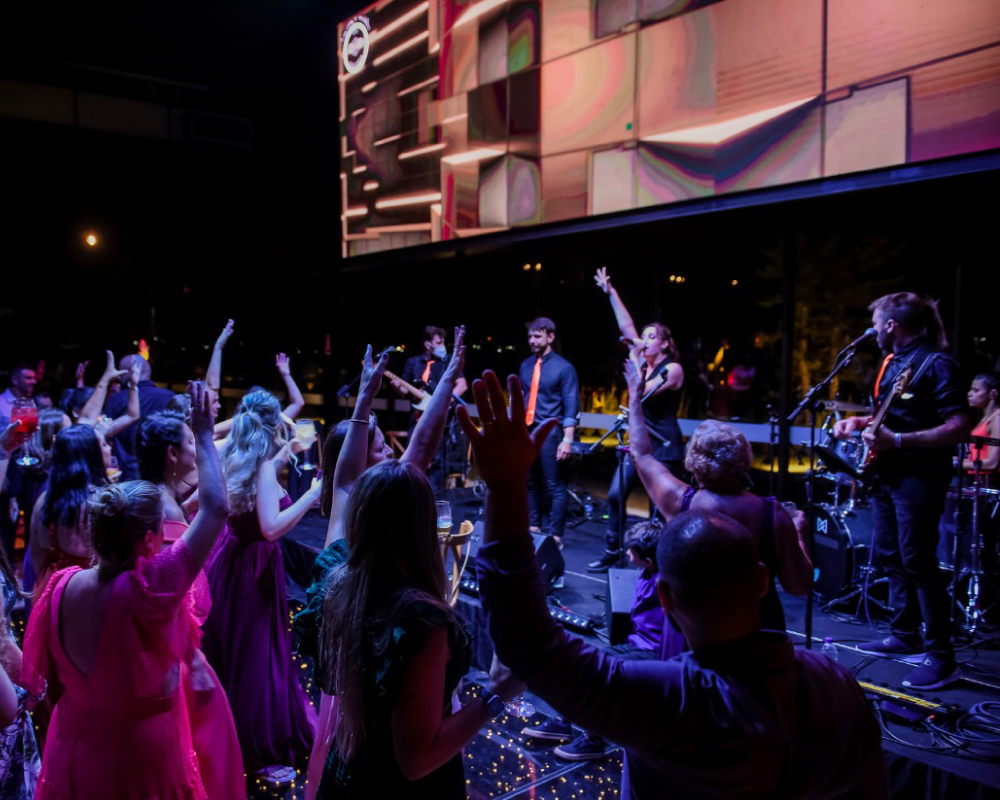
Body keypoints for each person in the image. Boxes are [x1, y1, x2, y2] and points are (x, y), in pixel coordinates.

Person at [457, 370, 889, 800]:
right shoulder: (832, 681)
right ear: (759, 580)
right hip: (765, 641)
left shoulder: (662, 695)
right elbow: (800, 585)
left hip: (689, 648)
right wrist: (798, 533)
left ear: (665, 597)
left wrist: (506, 483)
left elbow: (528, 645)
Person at [21, 381, 229, 799]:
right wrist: (204, 434)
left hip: (73, 748)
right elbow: (216, 509)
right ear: (151, 540)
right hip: (139, 756)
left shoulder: (59, 585)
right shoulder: (151, 588)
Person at [296, 330, 466, 799]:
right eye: (380, 449)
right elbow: (418, 452)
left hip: (358, 725)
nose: (392, 452)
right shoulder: (418, 616)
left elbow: (408, 454)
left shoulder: (348, 541)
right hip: (392, 738)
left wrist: (371, 398)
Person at [314, 457, 522, 798]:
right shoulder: (421, 624)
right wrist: (499, 691)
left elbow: (344, 481)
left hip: (350, 773)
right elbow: (417, 760)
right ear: (423, 527)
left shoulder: (338, 581)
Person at [834, 292, 971, 690]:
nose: (873, 329)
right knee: (891, 554)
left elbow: (959, 426)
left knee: (919, 561)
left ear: (892, 325)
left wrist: (896, 441)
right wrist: (861, 422)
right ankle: (905, 634)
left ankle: (942, 658)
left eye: (876, 323)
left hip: (920, 477)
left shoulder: (937, 363)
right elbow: (897, 415)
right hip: (888, 474)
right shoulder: (894, 362)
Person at [623, 360, 813, 632]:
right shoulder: (773, 514)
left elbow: (641, 453)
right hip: (757, 631)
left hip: (698, 629)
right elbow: (800, 585)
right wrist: (797, 534)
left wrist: (634, 397)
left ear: (694, 462)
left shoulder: (680, 502)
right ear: (744, 459)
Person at [201, 388, 318, 779]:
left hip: (227, 560)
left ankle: (225, 735)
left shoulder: (228, 453)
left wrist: (282, 456)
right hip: (255, 568)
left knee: (230, 652)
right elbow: (270, 528)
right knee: (256, 657)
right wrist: (311, 496)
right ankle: (258, 749)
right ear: (273, 425)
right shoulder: (263, 467)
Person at [137, 411, 246, 800]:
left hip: (171, 644)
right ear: (172, 454)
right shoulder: (163, 508)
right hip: (175, 649)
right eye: (191, 443)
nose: (198, 449)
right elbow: (177, 591)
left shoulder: (158, 497)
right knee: (207, 746)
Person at [527, 520, 667, 762]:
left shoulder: (663, 582)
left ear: (647, 560)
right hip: (637, 643)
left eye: (630, 551)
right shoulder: (646, 572)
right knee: (581, 659)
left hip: (655, 651)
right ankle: (564, 721)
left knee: (602, 672)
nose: (626, 553)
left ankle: (594, 741)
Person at [589, 268, 685, 572]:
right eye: (643, 337)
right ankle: (613, 551)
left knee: (659, 508)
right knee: (616, 495)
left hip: (664, 445)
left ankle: (662, 562)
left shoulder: (672, 370)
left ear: (665, 344)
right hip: (641, 443)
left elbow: (640, 393)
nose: (643, 340)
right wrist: (611, 291)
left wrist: (634, 359)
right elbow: (627, 325)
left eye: (651, 337)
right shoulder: (643, 362)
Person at [518, 318, 579, 545]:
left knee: (554, 485)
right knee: (530, 482)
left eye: (537, 336)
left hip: (551, 431)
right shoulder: (526, 365)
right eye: (530, 336)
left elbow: (571, 405)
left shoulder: (564, 368)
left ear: (550, 337)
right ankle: (533, 528)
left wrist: (567, 439)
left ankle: (554, 536)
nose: (532, 341)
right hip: (528, 430)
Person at [392, 326, 468, 494]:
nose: (442, 346)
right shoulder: (413, 363)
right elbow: (404, 391)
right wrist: (397, 387)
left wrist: (443, 401)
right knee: (412, 462)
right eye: (439, 342)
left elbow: (462, 385)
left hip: (441, 422)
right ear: (427, 345)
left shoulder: (446, 361)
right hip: (417, 419)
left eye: (443, 342)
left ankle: (433, 499)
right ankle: (412, 496)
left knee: (437, 465)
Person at [104, 354, 175, 480]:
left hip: (124, 474)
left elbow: (106, 433)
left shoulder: (116, 399)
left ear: (127, 373)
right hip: (161, 472)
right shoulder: (169, 397)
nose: (119, 377)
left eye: (120, 373)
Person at [963, 371, 999, 476]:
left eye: (976, 390)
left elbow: (992, 463)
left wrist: (957, 463)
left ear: (993, 394)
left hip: (991, 481)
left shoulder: (997, 419)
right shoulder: (985, 418)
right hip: (978, 479)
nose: (969, 394)